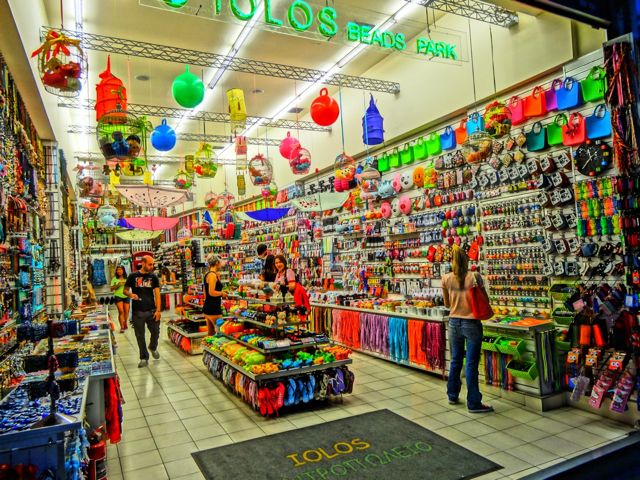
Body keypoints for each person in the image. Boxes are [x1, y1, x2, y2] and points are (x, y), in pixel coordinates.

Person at [442, 246, 494, 413]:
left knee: (455, 360)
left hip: (453, 323)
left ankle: (452, 394)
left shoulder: (446, 278)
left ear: (451, 261)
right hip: (471, 323)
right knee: (471, 363)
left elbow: (447, 304)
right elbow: (484, 300)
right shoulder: (475, 277)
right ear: (466, 259)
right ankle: (473, 403)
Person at [124, 255, 161, 368]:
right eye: (150, 264)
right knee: (140, 335)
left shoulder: (153, 277)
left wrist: (158, 310)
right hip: (138, 312)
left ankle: (153, 347)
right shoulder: (133, 276)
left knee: (156, 332)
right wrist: (131, 294)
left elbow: (157, 294)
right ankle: (144, 357)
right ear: (143, 263)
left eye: (153, 264)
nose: (152, 266)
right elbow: (125, 291)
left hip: (151, 310)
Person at [203, 254, 227, 335]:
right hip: (213, 308)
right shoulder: (212, 275)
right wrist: (222, 293)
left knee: (211, 333)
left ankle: (206, 348)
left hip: (208, 306)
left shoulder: (208, 274)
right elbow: (211, 292)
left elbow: (205, 293)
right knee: (221, 332)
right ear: (216, 263)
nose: (221, 264)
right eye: (220, 262)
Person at [110, 265, 129, 333]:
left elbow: (130, 287)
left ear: (123, 270)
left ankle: (125, 323)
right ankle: (122, 327)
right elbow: (111, 289)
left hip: (126, 296)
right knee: (121, 311)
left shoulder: (127, 278)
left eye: (120, 269)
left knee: (126, 312)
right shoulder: (114, 279)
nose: (119, 271)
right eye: (118, 270)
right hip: (118, 296)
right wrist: (117, 285)